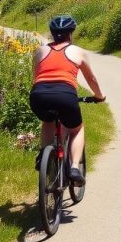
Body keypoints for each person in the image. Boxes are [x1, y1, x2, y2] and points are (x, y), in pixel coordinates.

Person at [28, 15, 105, 185]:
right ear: (71, 33)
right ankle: (75, 168)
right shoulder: (77, 51)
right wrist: (99, 96)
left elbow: (36, 76)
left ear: (52, 34)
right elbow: (91, 79)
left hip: (38, 94)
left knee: (47, 121)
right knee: (76, 129)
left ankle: (43, 156)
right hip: (65, 94)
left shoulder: (40, 50)